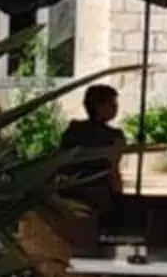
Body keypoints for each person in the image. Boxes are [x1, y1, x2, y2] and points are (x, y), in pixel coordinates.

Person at [52, 83, 126, 225]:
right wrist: (119, 197)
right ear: (99, 106)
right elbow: (113, 169)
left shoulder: (73, 129)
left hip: (68, 189)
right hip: (98, 193)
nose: (116, 107)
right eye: (112, 103)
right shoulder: (114, 136)